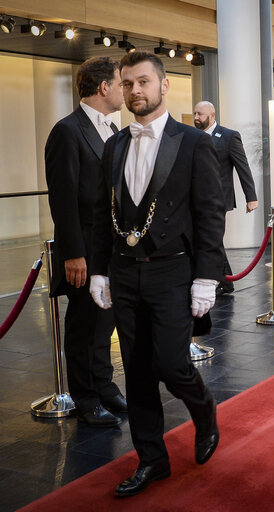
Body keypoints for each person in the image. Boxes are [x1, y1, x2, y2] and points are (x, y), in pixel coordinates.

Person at [90, 51, 225, 497]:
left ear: (165, 85)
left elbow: (209, 216)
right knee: (137, 370)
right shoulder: (114, 145)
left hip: (173, 273)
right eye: (127, 84)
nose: (135, 91)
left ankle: (204, 412)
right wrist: (99, 271)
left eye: (144, 82)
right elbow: (99, 214)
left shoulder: (194, 142)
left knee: (170, 363)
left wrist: (207, 277)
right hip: (125, 273)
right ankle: (152, 459)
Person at [44, 56, 127, 427]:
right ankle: (86, 397)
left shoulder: (112, 129)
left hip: (113, 249)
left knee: (105, 321)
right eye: (121, 82)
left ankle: (105, 386)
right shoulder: (67, 130)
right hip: (85, 251)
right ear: (104, 87)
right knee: (82, 324)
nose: (126, 89)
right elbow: (62, 199)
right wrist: (74, 254)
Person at [192, 101, 258, 296]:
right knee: (209, 239)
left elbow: (242, 166)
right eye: (194, 113)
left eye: (200, 114)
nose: (196, 117)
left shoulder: (229, 136)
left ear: (212, 115)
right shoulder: (193, 136)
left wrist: (251, 197)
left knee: (213, 237)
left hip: (218, 198)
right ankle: (222, 281)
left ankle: (223, 281)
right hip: (195, 198)